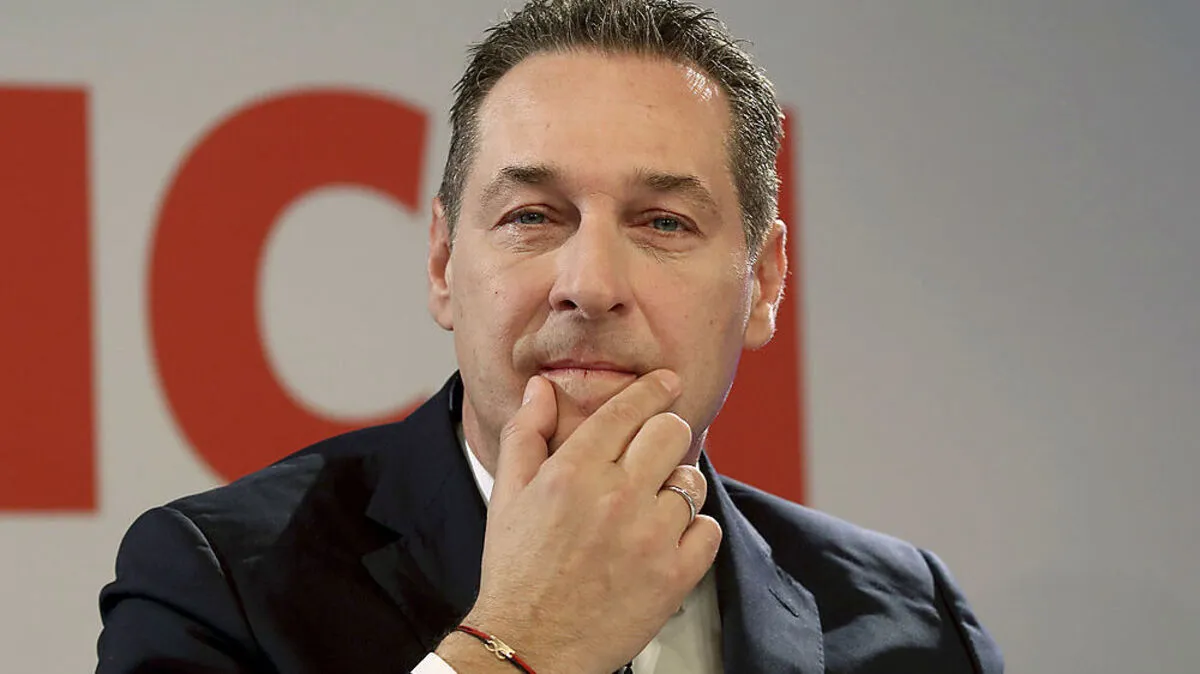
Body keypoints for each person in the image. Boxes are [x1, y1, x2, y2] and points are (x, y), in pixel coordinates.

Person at [96, 0, 1003, 672]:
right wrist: (522, 645)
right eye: (533, 216)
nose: (591, 286)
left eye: (663, 223)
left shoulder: (913, 622)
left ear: (763, 283)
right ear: (444, 263)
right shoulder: (218, 585)